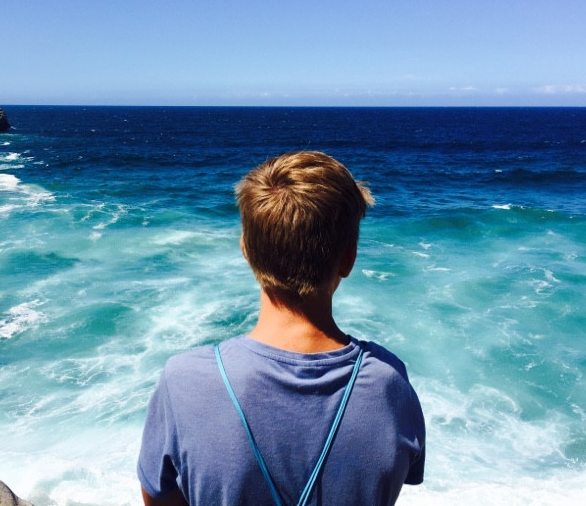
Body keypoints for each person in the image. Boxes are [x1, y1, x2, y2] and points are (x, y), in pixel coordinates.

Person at [137, 151, 425, 506]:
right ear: (348, 259)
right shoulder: (389, 383)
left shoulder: (184, 381)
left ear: (246, 250)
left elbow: (158, 498)